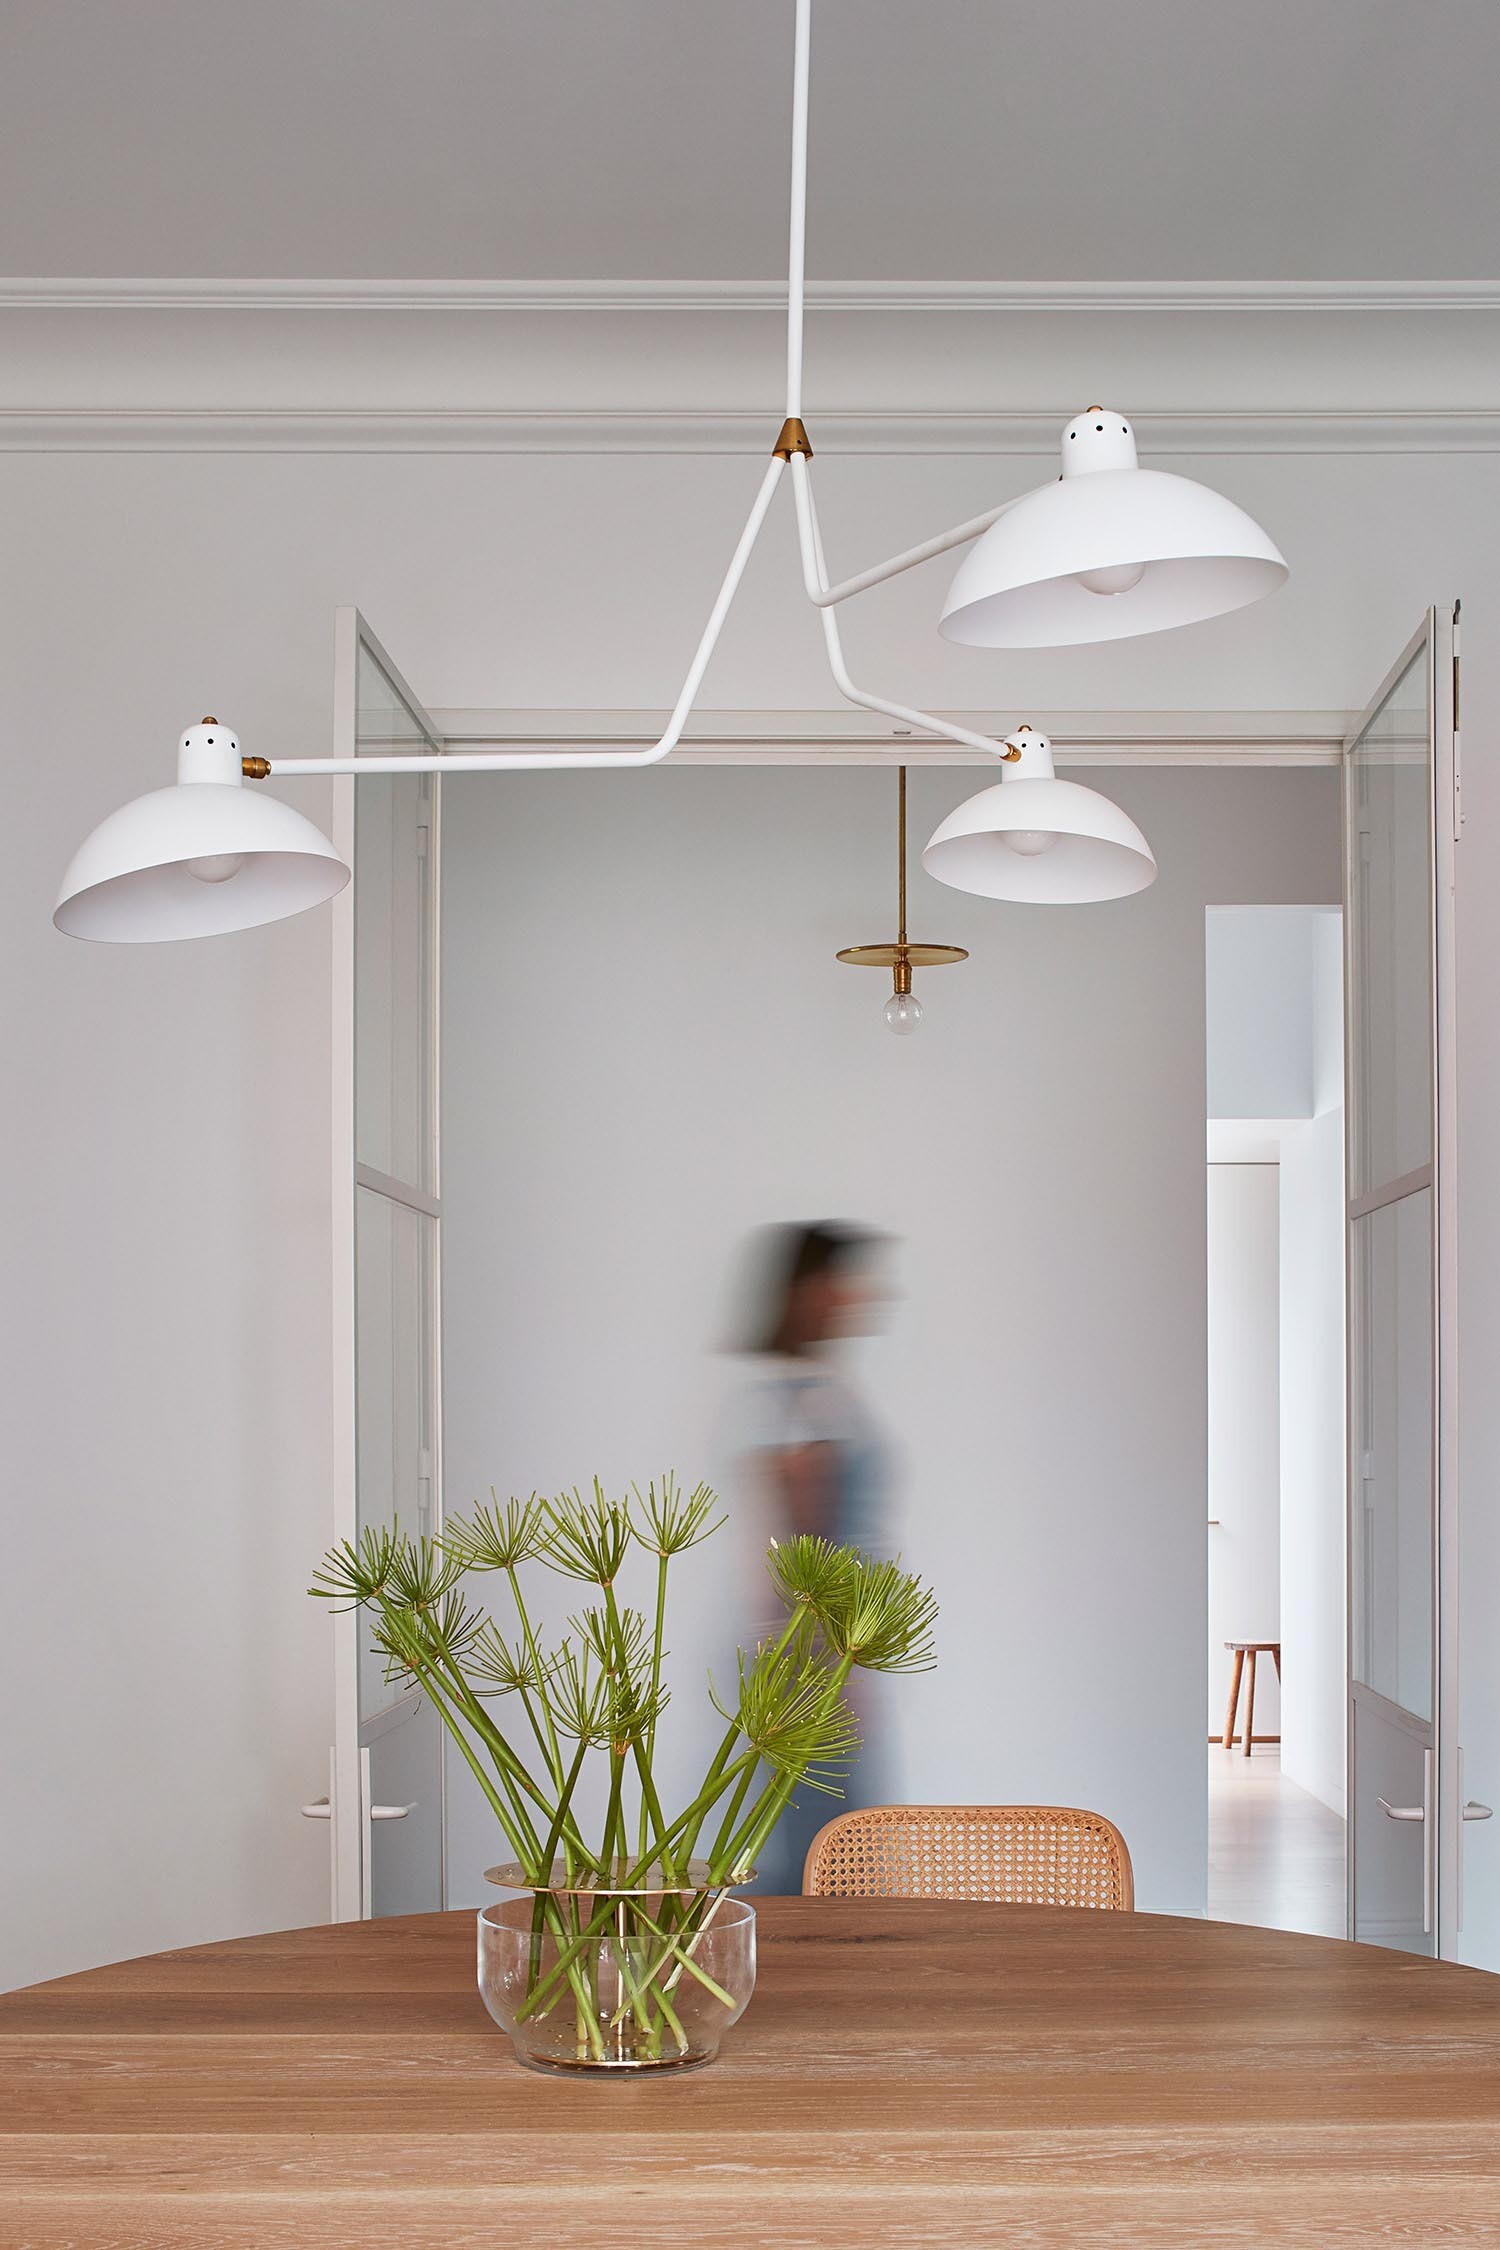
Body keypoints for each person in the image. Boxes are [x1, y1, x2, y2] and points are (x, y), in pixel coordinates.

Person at [723, 1222, 897, 1893]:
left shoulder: (813, 1389)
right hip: (813, 1659)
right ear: (811, 1290)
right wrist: (837, 1664)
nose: (861, 1294)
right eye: (845, 1279)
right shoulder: (801, 1399)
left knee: (822, 1841)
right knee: (822, 1853)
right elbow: (802, 1550)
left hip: (813, 1657)